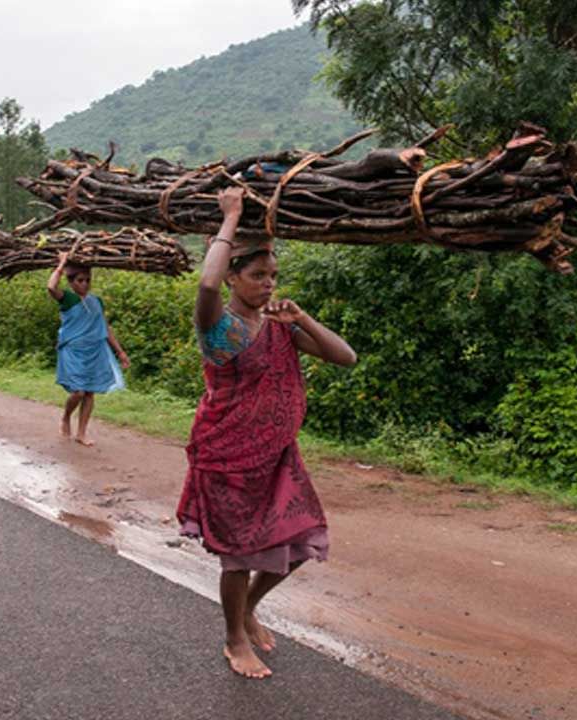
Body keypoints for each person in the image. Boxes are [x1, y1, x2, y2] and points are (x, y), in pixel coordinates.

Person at [177, 186, 357, 679]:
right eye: (258, 275)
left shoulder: (280, 325)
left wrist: (303, 319)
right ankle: (234, 637)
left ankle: (249, 609)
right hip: (228, 456)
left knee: (296, 543)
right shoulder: (219, 325)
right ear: (235, 276)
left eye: (273, 276)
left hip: (277, 456)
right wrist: (231, 217)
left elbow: (345, 357)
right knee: (238, 558)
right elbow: (207, 287)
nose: (268, 285)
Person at [46, 252, 130, 446]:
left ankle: (82, 432)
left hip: (96, 350)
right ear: (71, 282)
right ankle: (66, 417)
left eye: (87, 280)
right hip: (73, 351)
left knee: (90, 392)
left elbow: (105, 327)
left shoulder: (96, 301)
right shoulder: (68, 299)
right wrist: (61, 265)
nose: (84, 284)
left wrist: (120, 352)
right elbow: (51, 287)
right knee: (78, 391)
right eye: (80, 280)